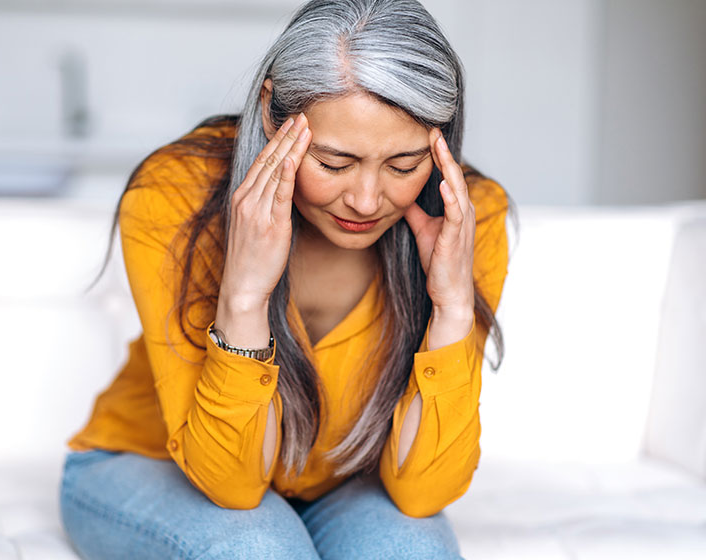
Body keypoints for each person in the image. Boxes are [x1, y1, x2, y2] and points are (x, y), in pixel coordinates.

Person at [59, 0, 512, 558]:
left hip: (343, 482)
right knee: (259, 549)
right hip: (152, 463)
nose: (368, 200)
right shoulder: (175, 193)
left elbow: (422, 495)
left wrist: (452, 309)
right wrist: (245, 295)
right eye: (334, 162)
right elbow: (234, 487)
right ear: (272, 113)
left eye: (403, 164)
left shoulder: (468, 215)